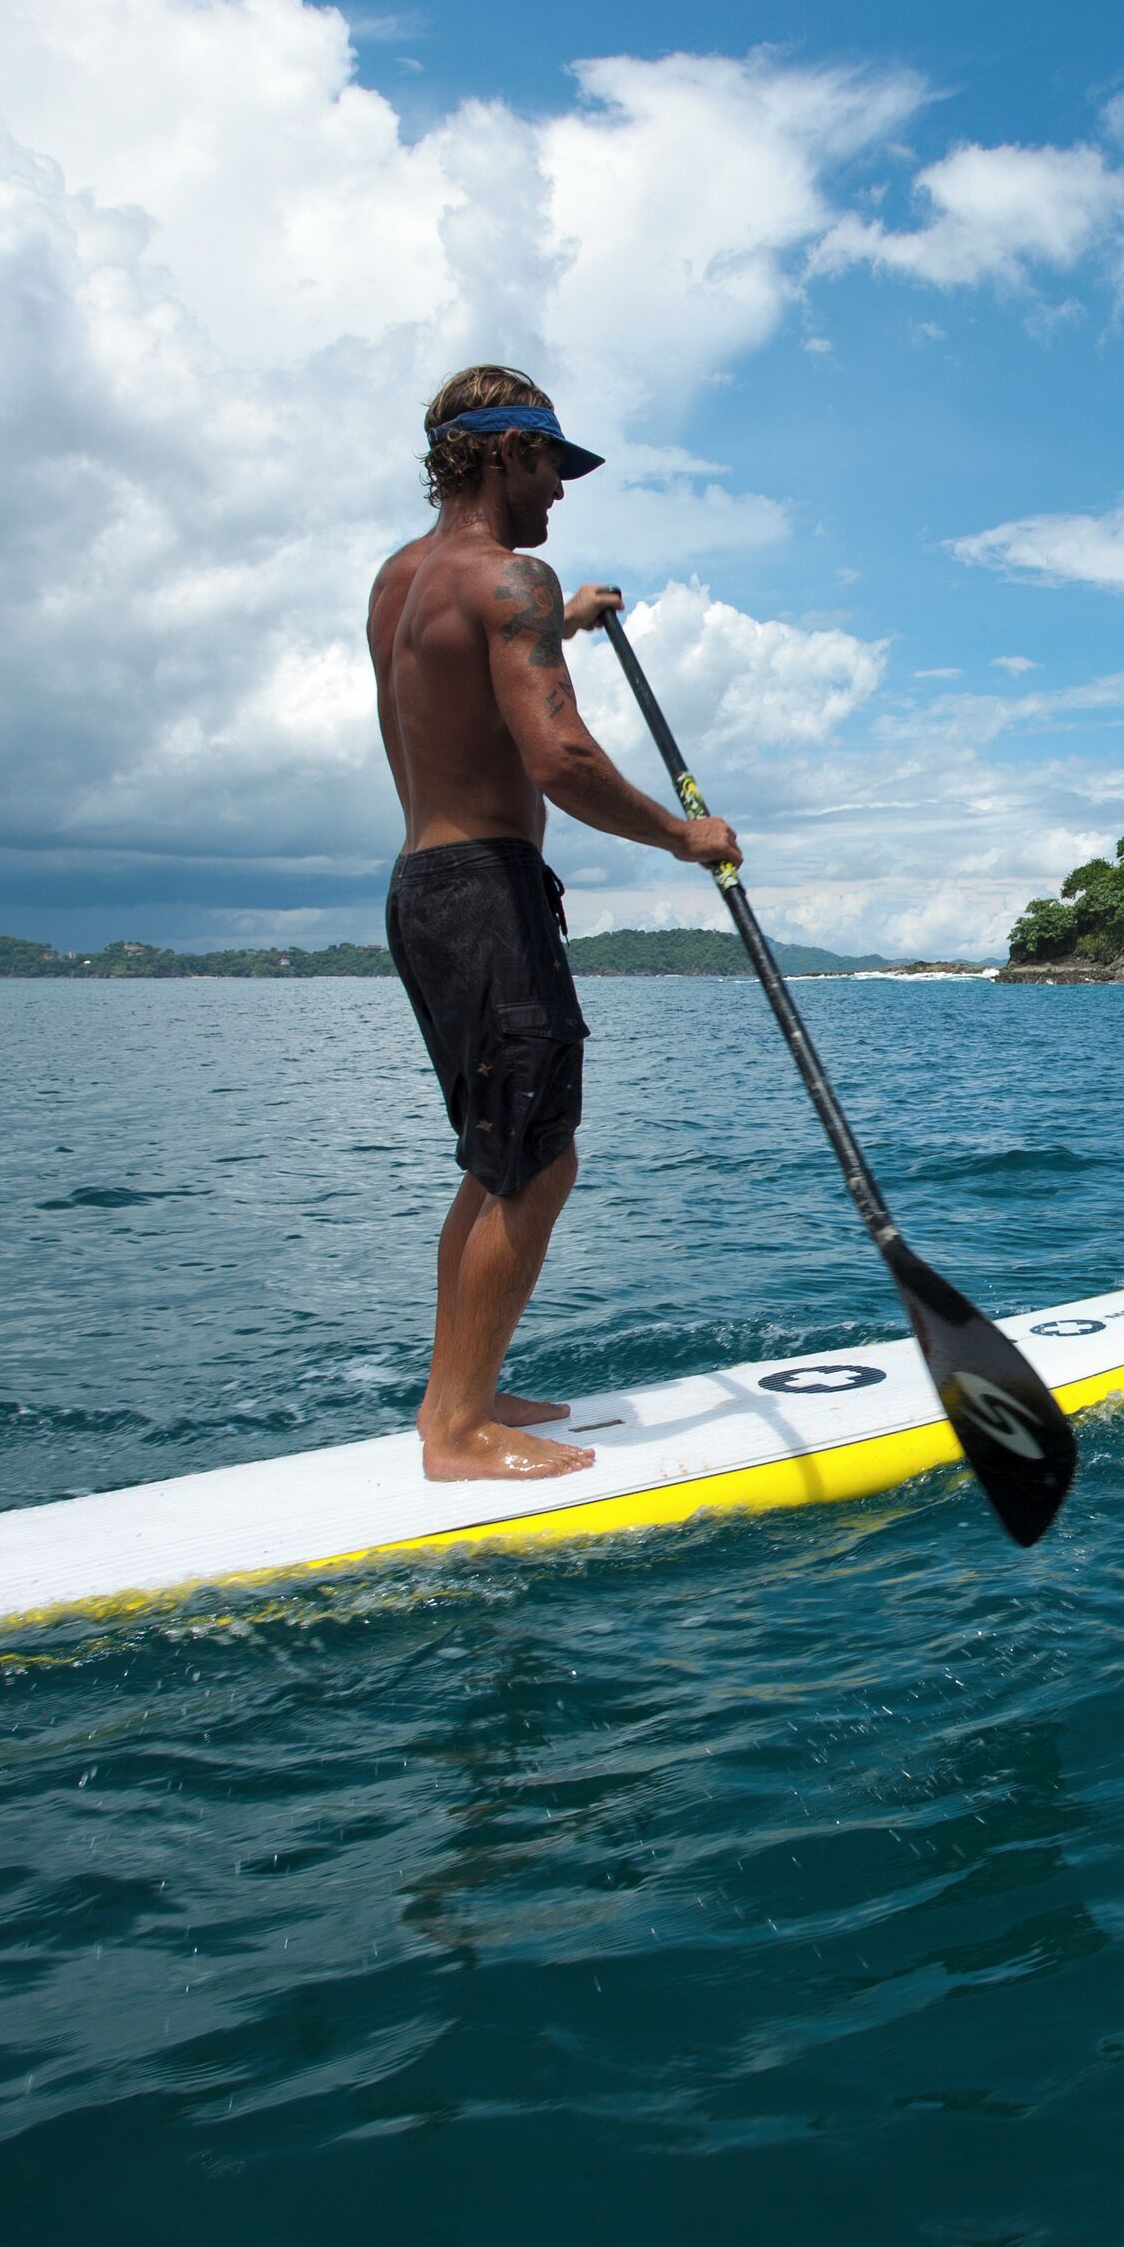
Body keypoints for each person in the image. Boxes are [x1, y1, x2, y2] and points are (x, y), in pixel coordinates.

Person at [365, 366, 740, 1480]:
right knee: (539, 1162)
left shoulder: (399, 581)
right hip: (487, 893)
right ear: (499, 453)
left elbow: (463, 672)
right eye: (551, 466)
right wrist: (688, 838)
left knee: (496, 1160)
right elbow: (561, 757)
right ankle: (459, 1432)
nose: (562, 494)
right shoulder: (513, 579)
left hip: (422, 892)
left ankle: (457, 1394)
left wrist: (559, 625)